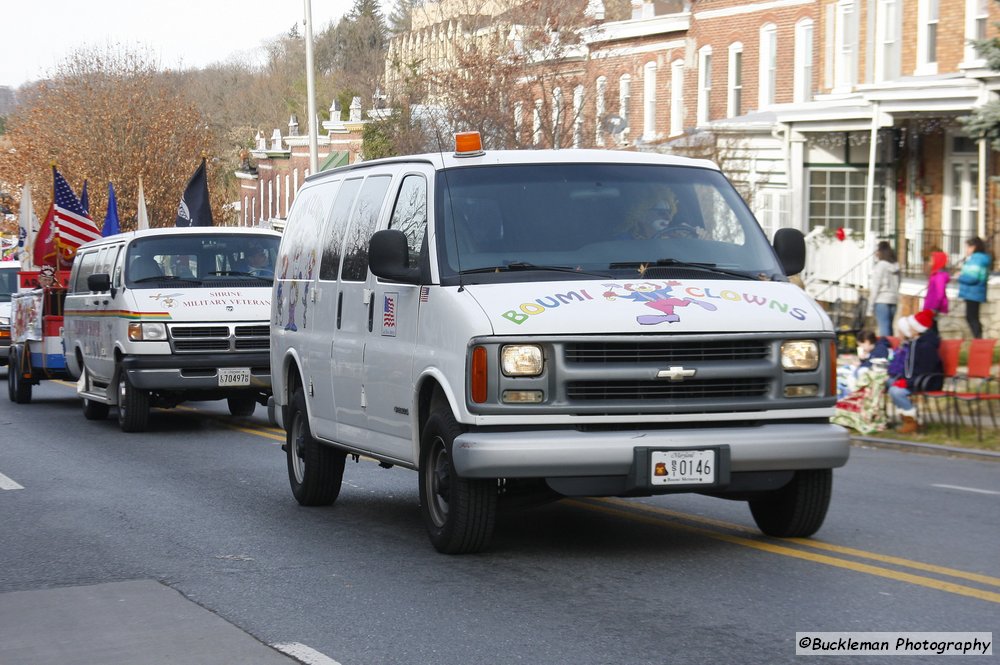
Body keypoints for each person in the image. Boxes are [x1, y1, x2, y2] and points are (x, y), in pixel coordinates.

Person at [886, 309, 943, 434]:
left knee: (895, 391)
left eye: (911, 327)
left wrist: (907, 382)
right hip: (915, 378)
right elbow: (909, 367)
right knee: (889, 382)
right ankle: (909, 417)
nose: (908, 329)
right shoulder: (915, 343)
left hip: (927, 381)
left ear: (917, 329)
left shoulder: (925, 346)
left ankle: (912, 421)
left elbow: (924, 370)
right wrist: (902, 378)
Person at [955, 236, 991, 338]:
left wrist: (960, 277)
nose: (966, 250)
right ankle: (978, 339)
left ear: (974, 247)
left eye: (968, 247)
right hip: (971, 293)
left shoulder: (977, 259)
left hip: (973, 293)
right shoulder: (974, 259)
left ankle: (978, 339)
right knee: (972, 317)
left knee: (972, 317)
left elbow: (973, 278)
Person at [866, 242, 900, 337]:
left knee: (884, 330)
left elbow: (876, 287)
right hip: (893, 300)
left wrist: (870, 307)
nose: (876, 253)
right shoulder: (896, 266)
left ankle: (885, 350)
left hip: (881, 300)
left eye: (877, 250)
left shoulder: (880, 266)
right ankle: (893, 349)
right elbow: (898, 283)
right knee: (890, 329)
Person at [923, 250, 949, 315]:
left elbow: (940, 294)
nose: (929, 263)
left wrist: (934, 308)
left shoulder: (939, 276)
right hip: (930, 306)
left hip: (934, 308)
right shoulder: (935, 274)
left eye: (931, 261)